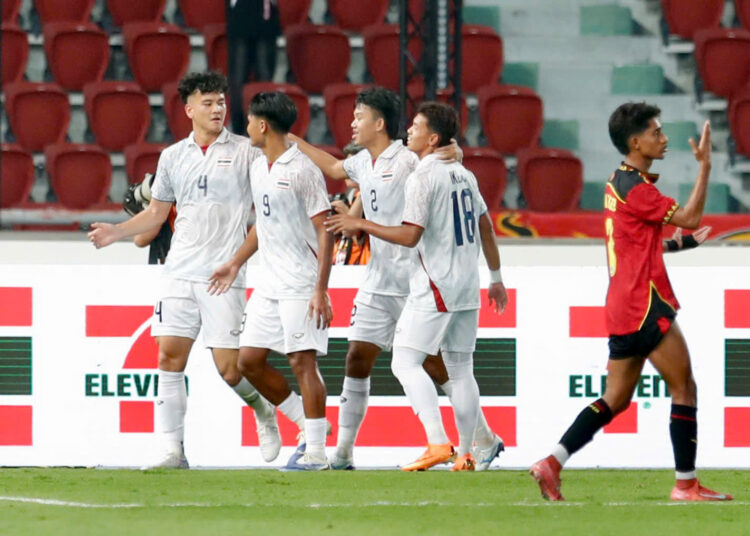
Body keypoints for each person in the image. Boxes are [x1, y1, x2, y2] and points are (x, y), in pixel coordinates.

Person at [291, 87, 504, 470]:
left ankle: (475, 439)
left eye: (359, 116)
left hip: (416, 280)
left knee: (434, 366)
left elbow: (440, 162)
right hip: (379, 279)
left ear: (379, 123)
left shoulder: (409, 161)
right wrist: (294, 142)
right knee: (357, 357)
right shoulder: (362, 162)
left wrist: (454, 150)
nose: (352, 123)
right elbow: (336, 169)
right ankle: (343, 454)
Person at [529, 102, 731, 502]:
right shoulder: (638, 189)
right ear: (635, 142)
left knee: (615, 399)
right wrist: (705, 166)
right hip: (645, 304)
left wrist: (681, 245)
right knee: (685, 388)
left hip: (623, 307)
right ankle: (686, 484)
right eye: (656, 132)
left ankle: (551, 462)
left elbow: (638, 244)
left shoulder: (618, 183)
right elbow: (690, 216)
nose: (664, 138)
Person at [88, 72, 281, 468]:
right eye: (207, 103)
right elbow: (157, 214)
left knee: (230, 369)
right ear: (189, 109)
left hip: (222, 275)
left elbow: (266, 208)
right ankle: (172, 451)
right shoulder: (173, 156)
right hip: (178, 270)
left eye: (221, 102)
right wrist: (116, 232)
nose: (217, 109)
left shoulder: (246, 152)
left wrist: (238, 260)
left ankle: (263, 411)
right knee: (168, 359)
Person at [208, 91, 334, 471]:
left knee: (301, 362)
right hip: (268, 283)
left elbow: (325, 231)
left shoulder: (303, 171)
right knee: (248, 361)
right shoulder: (259, 167)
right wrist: (235, 263)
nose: (246, 128)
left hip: (300, 282)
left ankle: (316, 452)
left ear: (263, 125)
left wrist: (320, 289)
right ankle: (306, 423)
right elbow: (262, 226)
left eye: (249, 121)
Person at [226, 0, 281, 134]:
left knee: (251, 79)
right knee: (255, 79)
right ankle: (259, 129)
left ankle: (241, 131)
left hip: (252, 14)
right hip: (253, 14)